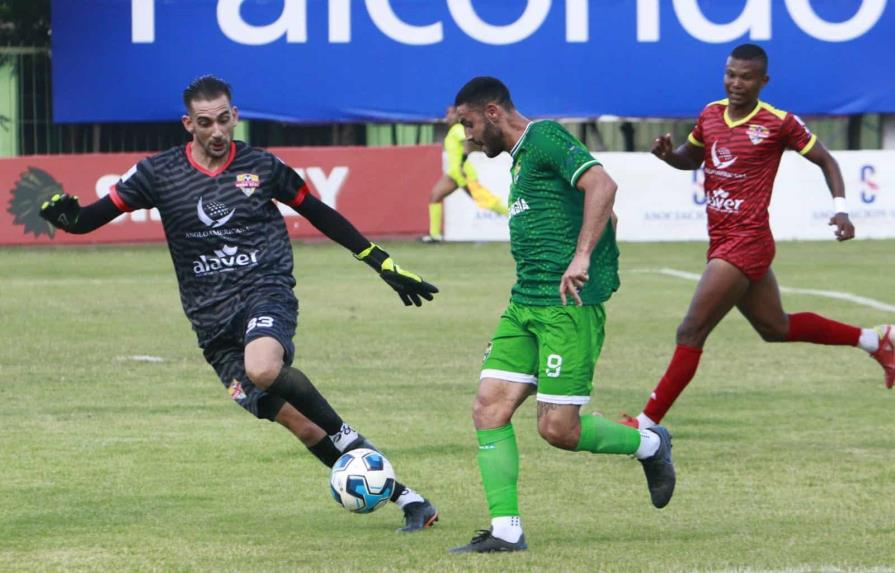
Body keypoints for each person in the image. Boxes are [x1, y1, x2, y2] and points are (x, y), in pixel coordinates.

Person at [39, 75, 441, 532]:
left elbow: (317, 211)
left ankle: (347, 434)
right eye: (206, 122)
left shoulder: (262, 166)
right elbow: (91, 218)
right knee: (303, 426)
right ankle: (412, 501)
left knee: (264, 368)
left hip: (264, 292)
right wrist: (70, 221)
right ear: (188, 123)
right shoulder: (158, 173)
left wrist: (381, 263)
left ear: (236, 116)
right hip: (211, 325)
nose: (217, 131)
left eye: (224, 119)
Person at [447, 77, 675, 554]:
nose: (467, 136)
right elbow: (602, 211)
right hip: (523, 303)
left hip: (565, 309)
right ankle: (506, 530)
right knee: (488, 407)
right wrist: (597, 233)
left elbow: (602, 184)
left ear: (492, 112)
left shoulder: (545, 137)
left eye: (468, 123)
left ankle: (649, 444)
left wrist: (583, 256)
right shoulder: (519, 161)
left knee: (557, 430)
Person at [620, 44, 895, 431]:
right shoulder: (711, 115)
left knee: (691, 330)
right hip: (721, 241)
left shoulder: (778, 123)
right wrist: (668, 155)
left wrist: (841, 208)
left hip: (746, 242)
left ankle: (645, 424)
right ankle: (875, 339)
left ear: (763, 81)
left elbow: (826, 161)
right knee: (775, 328)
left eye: (746, 77)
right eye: (731, 74)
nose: (736, 83)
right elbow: (691, 158)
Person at [421, 105, 509, 243]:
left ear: (458, 116)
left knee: (484, 200)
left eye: (451, 114)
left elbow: (470, 141)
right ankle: (434, 236)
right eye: (447, 113)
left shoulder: (458, 129)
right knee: (435, 196)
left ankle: (514, 214)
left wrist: (463, 160)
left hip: (463, 173)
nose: (448, 117)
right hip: (454, 174)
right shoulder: (453, 131)